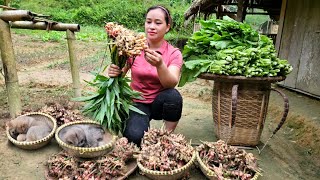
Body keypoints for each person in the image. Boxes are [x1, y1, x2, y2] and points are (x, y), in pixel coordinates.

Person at [107, 5, 183, 146]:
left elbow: (171, 83)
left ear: (167, 27)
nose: (152, 27)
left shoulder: (173, 53)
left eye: (158, 23)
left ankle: (166, 138)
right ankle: (138, 125)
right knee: (134, 139)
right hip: (137, 102)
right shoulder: (133, 47)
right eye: (148, 22)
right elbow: (121, 74)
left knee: (174, 96)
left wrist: (160, 65)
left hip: (160, 102)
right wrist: (114, 72)